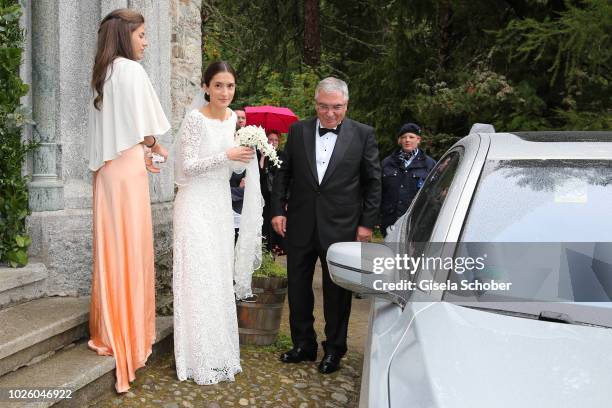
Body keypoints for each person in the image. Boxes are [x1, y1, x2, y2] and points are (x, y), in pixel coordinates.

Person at [271, 77, 381, 374]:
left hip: (342, 227)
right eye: (323, 106)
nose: (329, 113)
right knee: (297, 287)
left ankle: (334, 349)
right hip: (300, 224)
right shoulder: (297, 131)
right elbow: (284, 174)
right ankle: (303, 344)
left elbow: (373, 182)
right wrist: (278, 210)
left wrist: (366, 224)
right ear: (315, 103)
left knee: (337, 292)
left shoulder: (363, 134)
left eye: (336, 107)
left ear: (346, 105)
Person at [87, 8, 170, 393]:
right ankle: (131, 337)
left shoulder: (102, 74)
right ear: (125, 36)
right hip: (129, 173)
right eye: (142, 35)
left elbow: (112, 132)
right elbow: (145, 129)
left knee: (111, 254)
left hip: (106, 174)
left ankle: (110, 331)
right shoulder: (132, 72)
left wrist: (143, 150)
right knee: (131, 254)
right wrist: (155, 148)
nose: (146, 41)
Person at [172, 61, 259, 385]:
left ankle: (220, 354)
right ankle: (195, 360)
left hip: (220, 207)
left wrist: (245, 159)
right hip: (194, 205)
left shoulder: (233, 119)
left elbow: (231, 173)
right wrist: (228, 156)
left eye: (230, 86)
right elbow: (187, 167)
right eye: (219, 85)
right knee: (197, 278)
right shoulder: (195, 119)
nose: (225, 92)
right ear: (206, 87)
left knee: (217, 279)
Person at [380, 122, 436, 236]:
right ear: (399, 141)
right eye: (404, 137)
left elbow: (434, 194)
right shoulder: (387, 163)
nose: (407, 140)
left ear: (418, 140)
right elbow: (378, 191)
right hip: (390, 222)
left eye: (411, 137)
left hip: (417, 222)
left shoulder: (429, 164)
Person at [259, 130, 285, 255]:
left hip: (276, 196)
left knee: (274, 223)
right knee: (264, 223)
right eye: (270, 139)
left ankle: (273, 251)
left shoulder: (282, 155)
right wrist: (263, 156)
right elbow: (259, 173)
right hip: (263, 195)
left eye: (276, 140)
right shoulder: (261, 155)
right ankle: (264, 251)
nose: (273, 142)